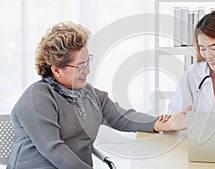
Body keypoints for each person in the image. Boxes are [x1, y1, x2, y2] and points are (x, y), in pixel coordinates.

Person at [7, 21, 189, 169]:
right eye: (79, 66)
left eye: (88, 61)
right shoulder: (38, 97)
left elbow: (122, 117)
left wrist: (163, 123)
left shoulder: (88, 94)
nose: (87, 70)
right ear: (56, 70)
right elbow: (54, 150)